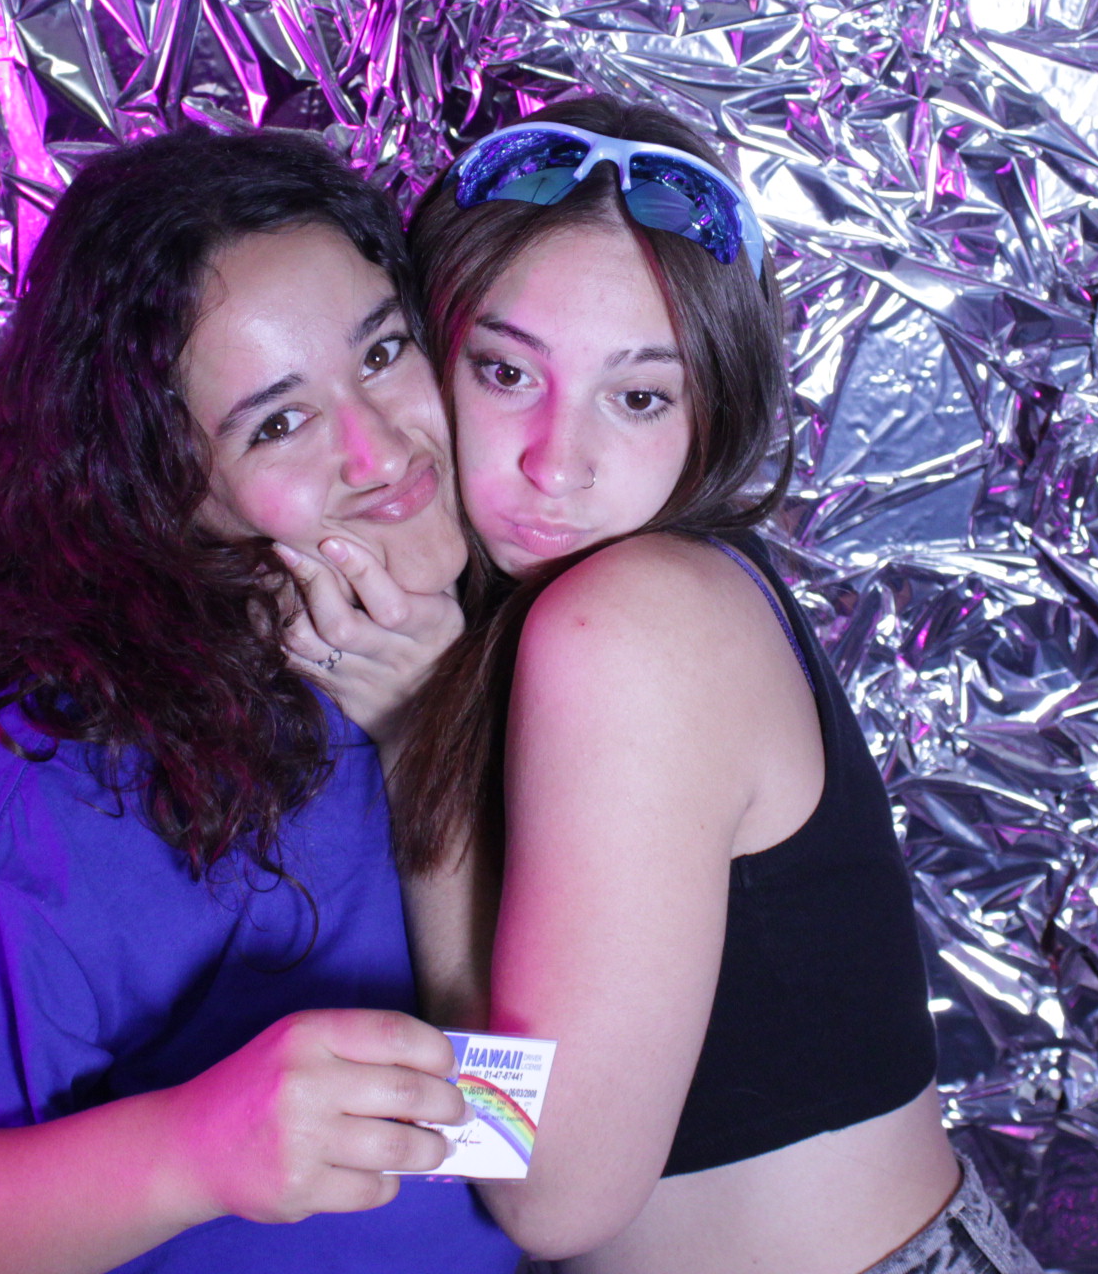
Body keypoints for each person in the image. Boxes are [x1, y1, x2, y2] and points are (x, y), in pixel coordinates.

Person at [0, 129, 520, 1274]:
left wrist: (433, 738)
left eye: (384, 350)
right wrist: (190, 1152)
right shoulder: (44, 798)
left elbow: (527, 1152)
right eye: (278, 422)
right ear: (159, 490)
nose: (380, 451)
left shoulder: (535, 656)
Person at [381, 98, 1040, 1274]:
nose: (556, 462)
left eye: (639, 395)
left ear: (711, 411)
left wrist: (406, 756)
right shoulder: (642, 601)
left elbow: (549, 1190)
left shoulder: (629, 622)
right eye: (505, 371)